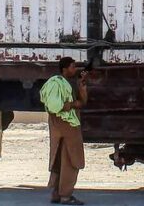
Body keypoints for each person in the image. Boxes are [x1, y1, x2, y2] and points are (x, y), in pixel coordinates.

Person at [39, 56, 88, 206]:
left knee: (61, 157)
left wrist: (81, 86)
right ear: (64, 69)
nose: (75, 69)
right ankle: (65, 195)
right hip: (65, 124)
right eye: (73, 67)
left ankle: (57, 193)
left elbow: (83, 102)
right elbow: (56, 107)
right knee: (71, 159)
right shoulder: (56, 83)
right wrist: (73, 104)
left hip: (65, 124)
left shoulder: (67, 83)